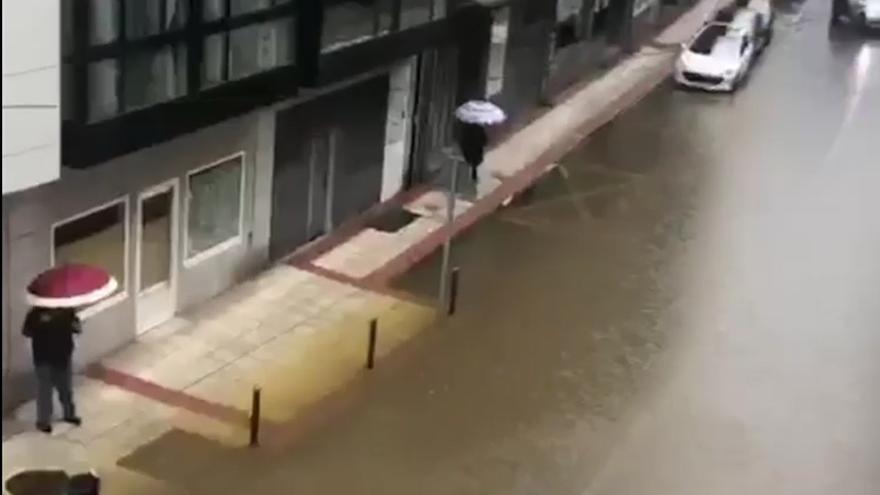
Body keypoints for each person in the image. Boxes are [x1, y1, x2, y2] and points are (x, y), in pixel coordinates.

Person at [22, 307, 82, 433]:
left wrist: (75, 325)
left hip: (63, 356)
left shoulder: (67, 311)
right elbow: (26, 331)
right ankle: (43, 421)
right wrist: (40, 322)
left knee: (66, 388)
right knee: (45, 390)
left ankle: (69, 414)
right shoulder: (36, 313)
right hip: (43, 357)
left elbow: (77, 328)